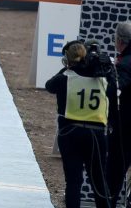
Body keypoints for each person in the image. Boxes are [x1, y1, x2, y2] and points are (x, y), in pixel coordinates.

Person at [45, 40, 117, 208]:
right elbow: (115, 93)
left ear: (68, 60)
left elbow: (49, 85)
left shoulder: (66, 77)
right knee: (99, 184)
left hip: (70, 134)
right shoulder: (103, 79)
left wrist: (69, 68)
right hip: (97, 135)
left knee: (73, 183)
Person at [107, 21, 131, 207]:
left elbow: (116, 90)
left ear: (120, 41)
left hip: (126, 127)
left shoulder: (124, 63)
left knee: (114, 174)